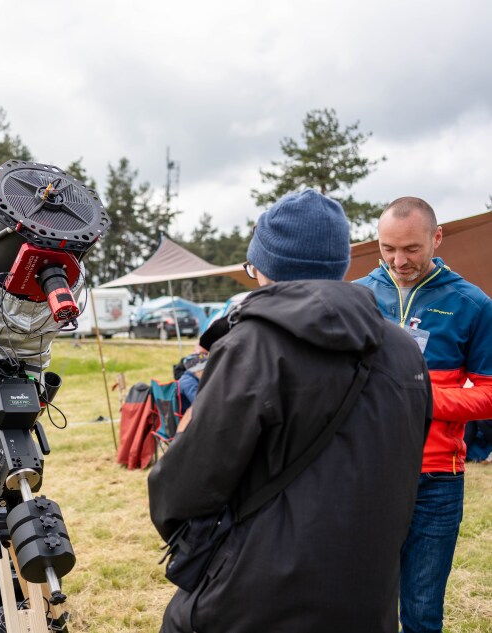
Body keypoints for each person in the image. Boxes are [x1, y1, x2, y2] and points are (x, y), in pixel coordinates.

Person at [148, 189, 431, 633]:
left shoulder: (252, 346)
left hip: (255, 597)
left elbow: (184, 487)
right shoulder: (403, 349)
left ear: (263, 267)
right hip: (367, 596)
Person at [355, 196, 492, 633]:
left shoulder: (473, 304)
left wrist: (423, 397)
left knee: (421, 611)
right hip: (363, 472)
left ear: (436, 237)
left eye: (411, 249)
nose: (398, 260)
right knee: (359, 606)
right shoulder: (356, 296)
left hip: (436, 479)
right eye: (387, 248)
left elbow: (489, 394)